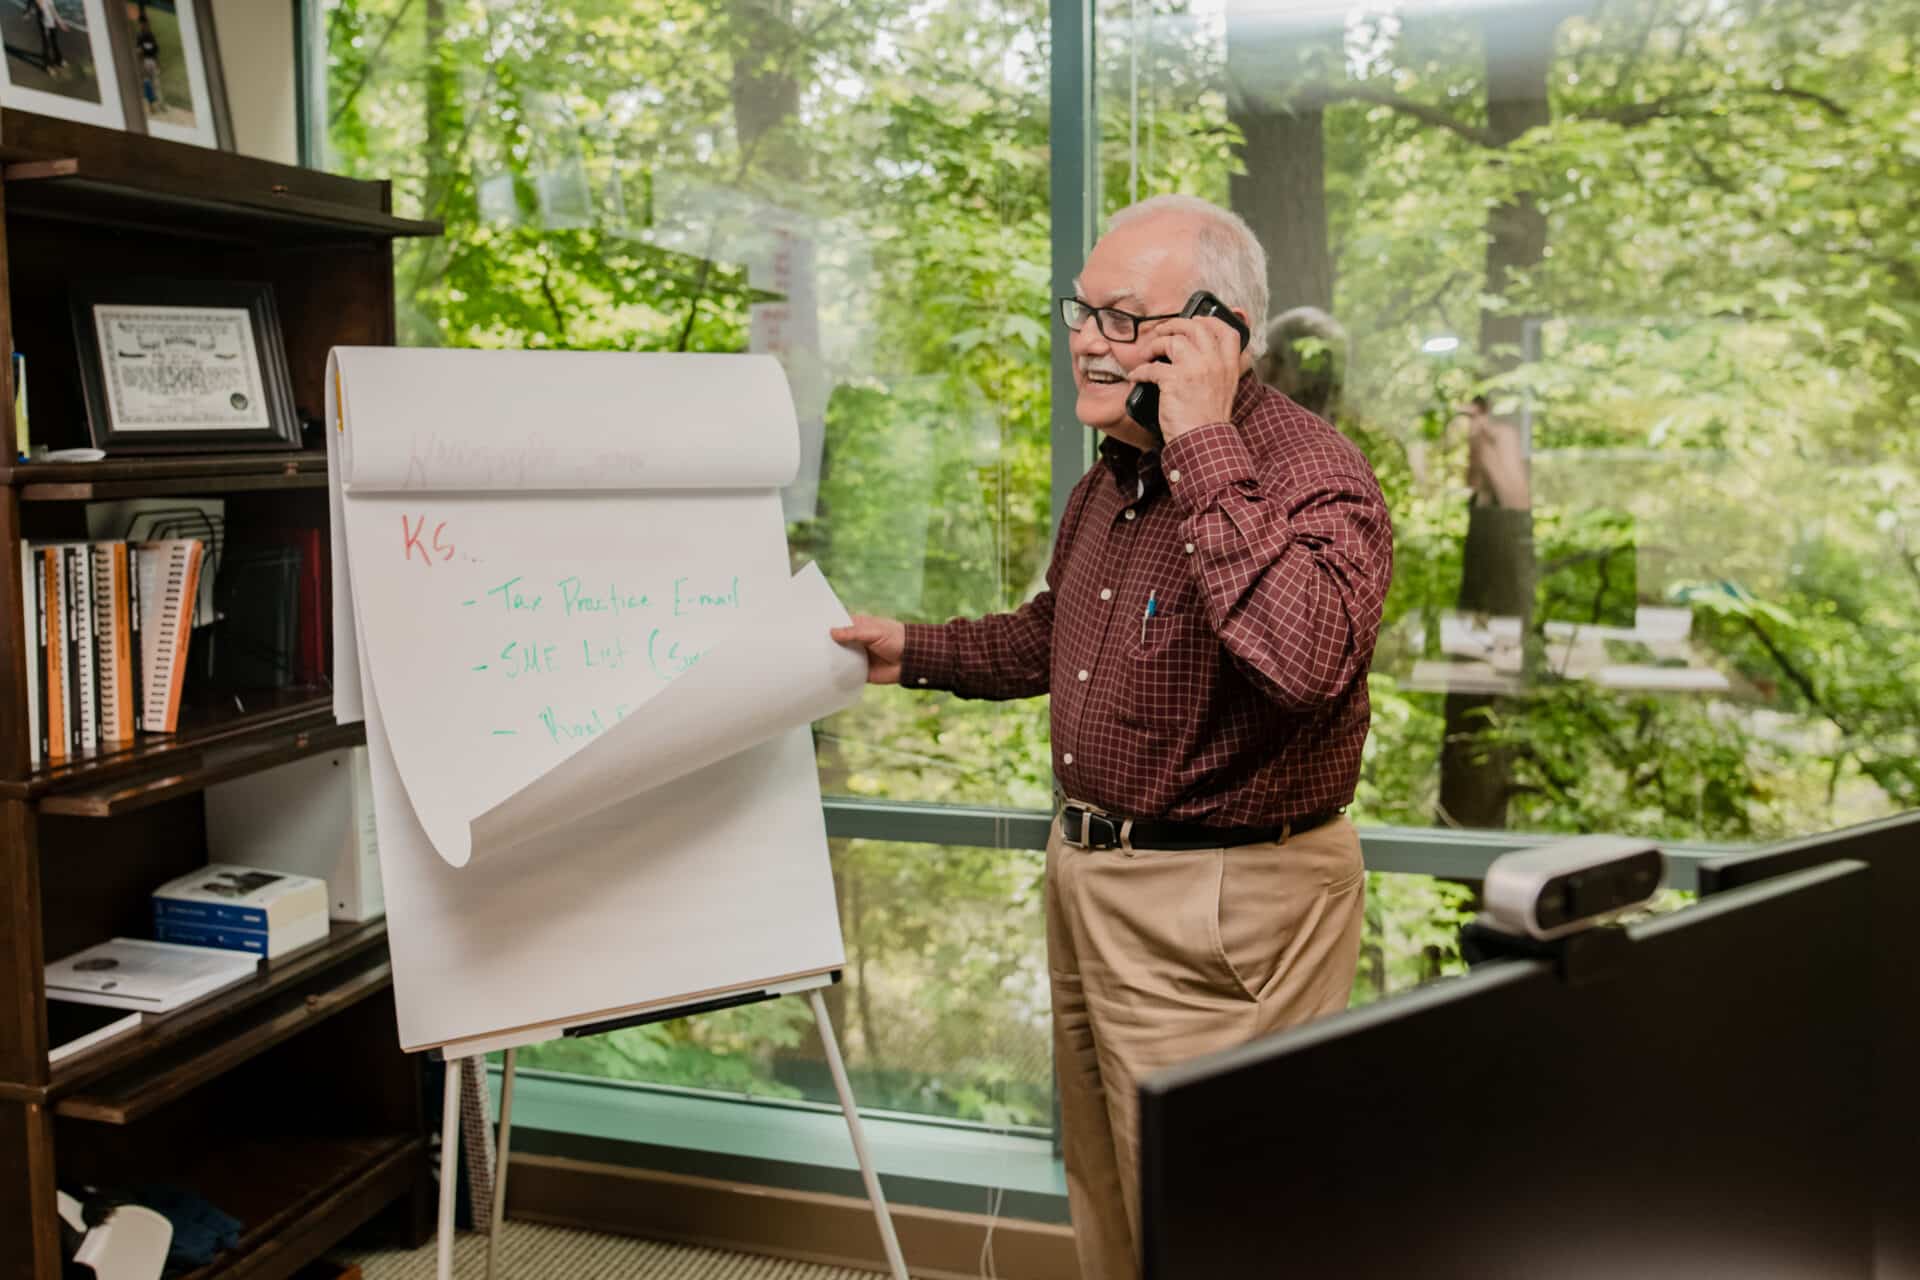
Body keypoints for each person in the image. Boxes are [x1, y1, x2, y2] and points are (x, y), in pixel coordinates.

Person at [831, 194, 1394, 1280]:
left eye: (1124, 318)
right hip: (1093, 877)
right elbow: (1061, 637)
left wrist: (1202, 439)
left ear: (1218, 332)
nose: (1087, 338)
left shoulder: (1311, 474)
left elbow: (1305, 659)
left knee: (1219, 1217)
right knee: (1112, 1198)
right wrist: (913, 648)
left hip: (1225, 907)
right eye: (1082, 311)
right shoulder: (1112, 480)